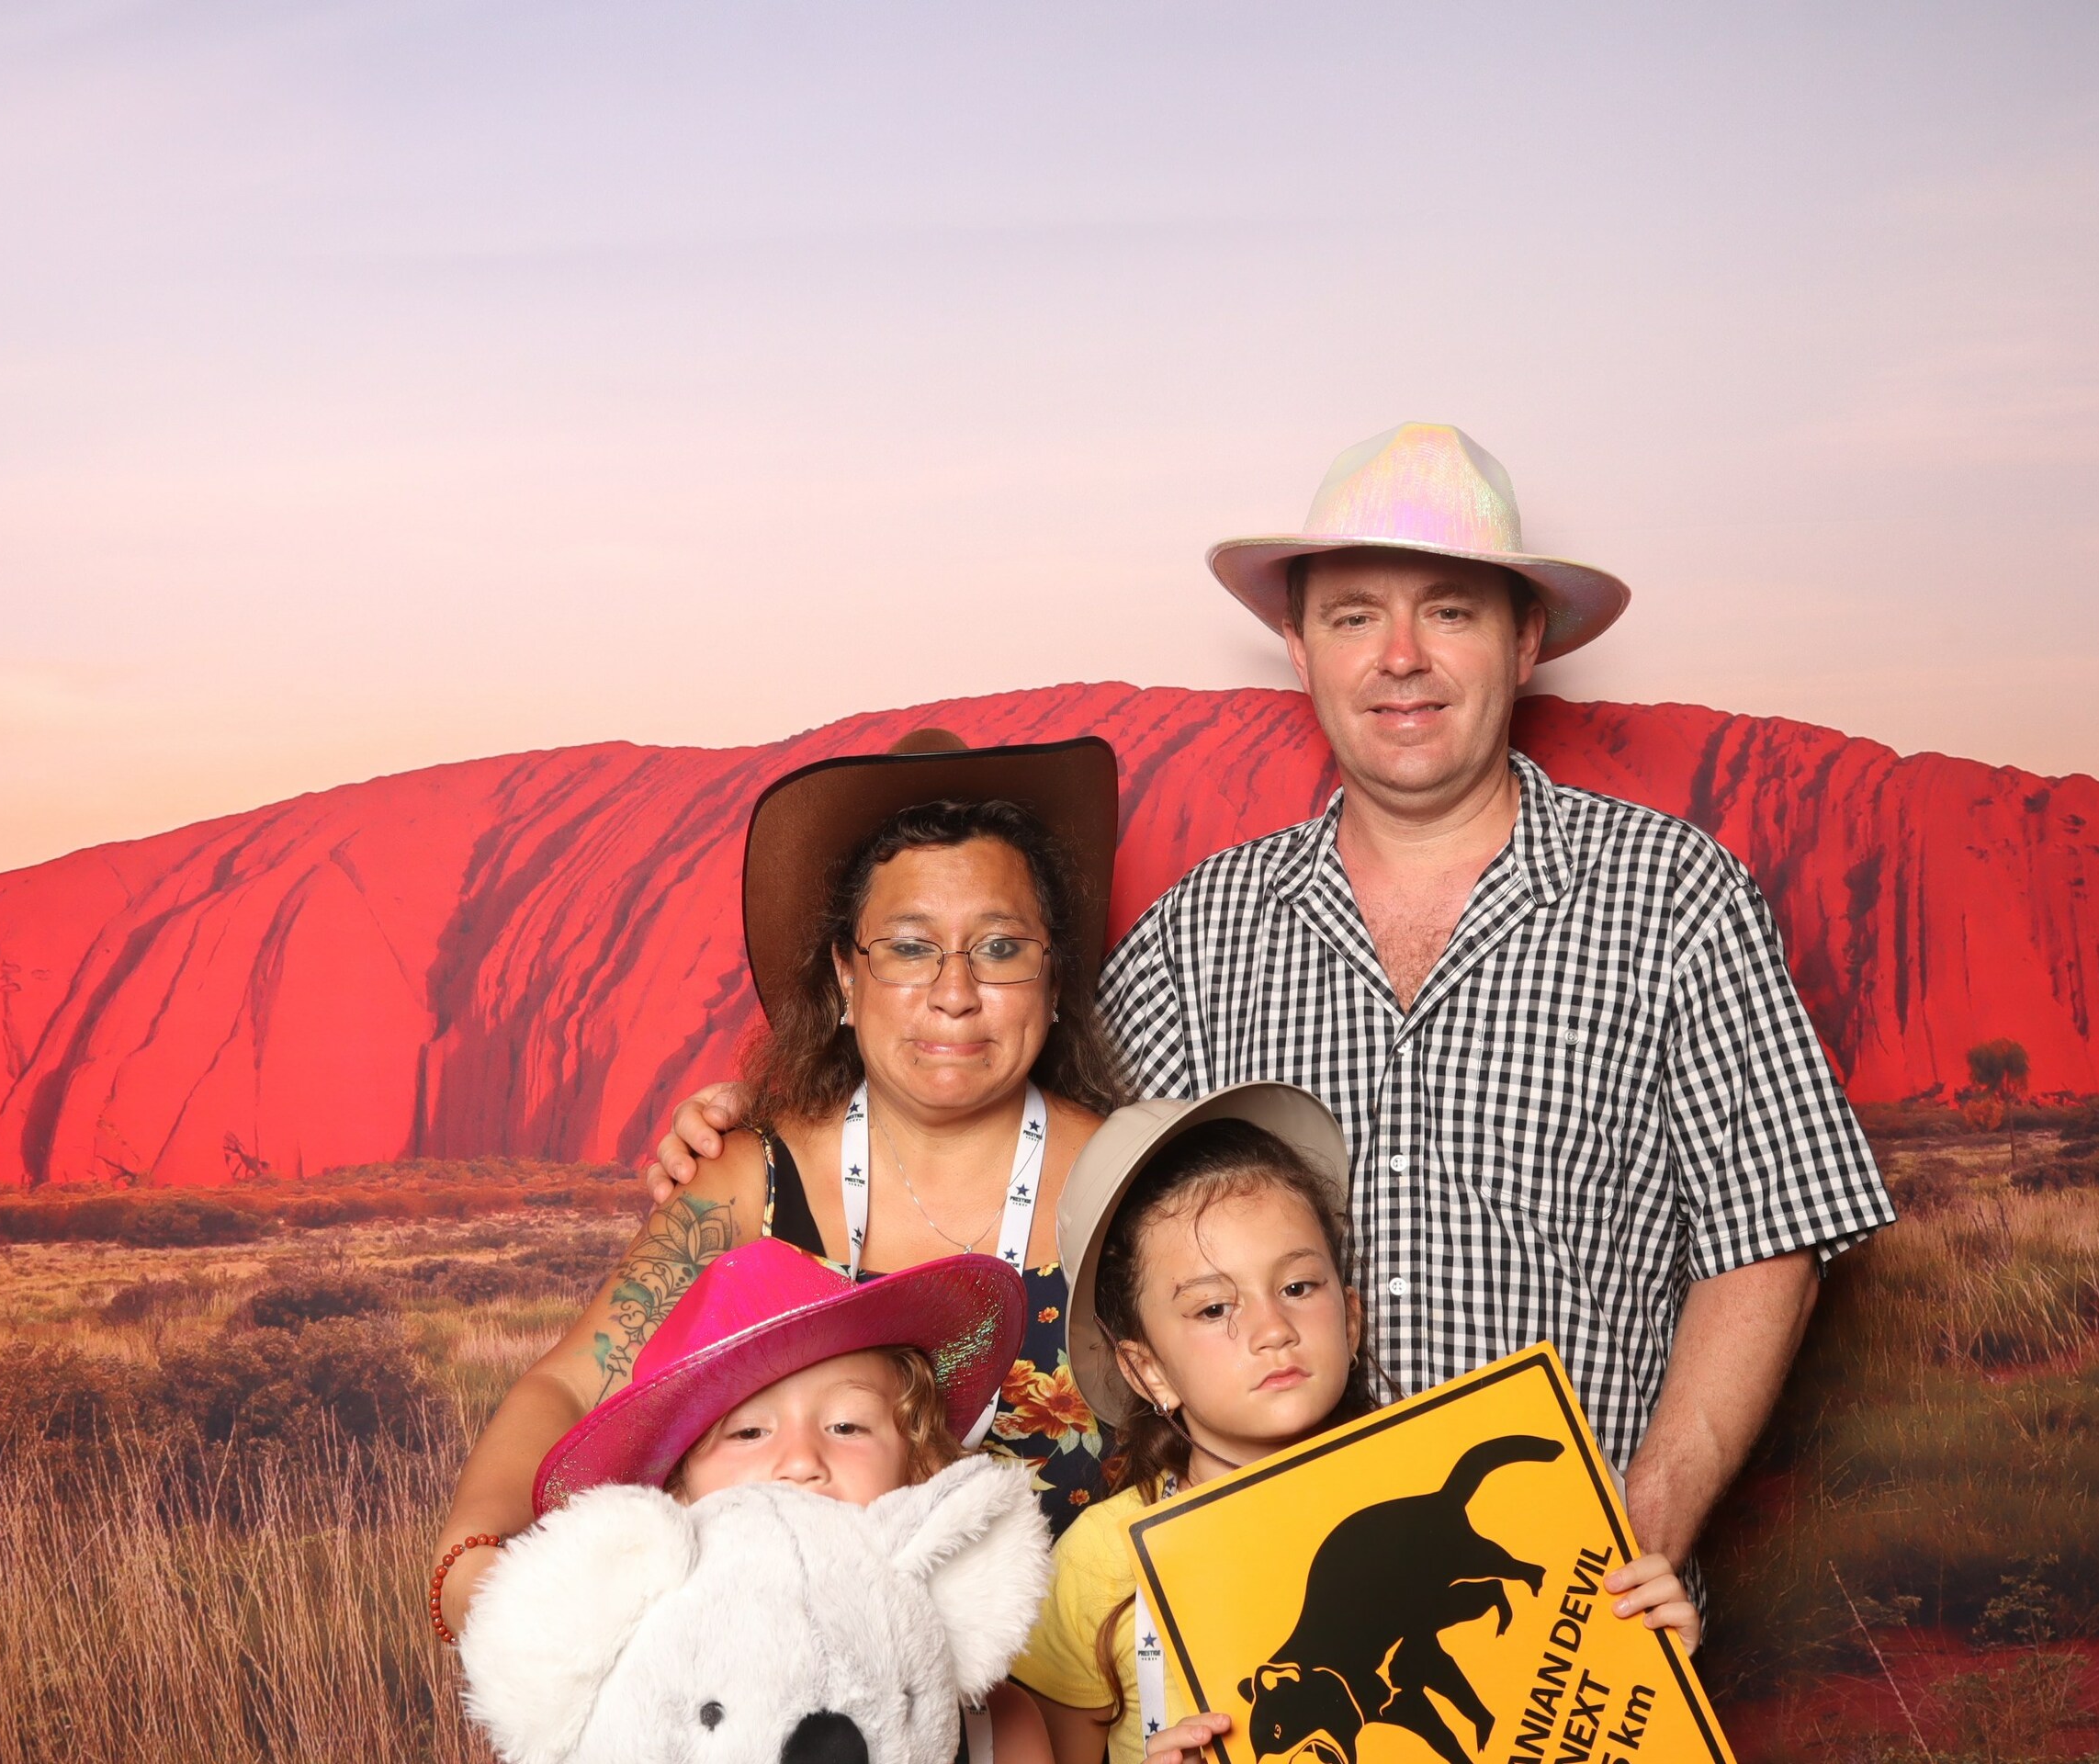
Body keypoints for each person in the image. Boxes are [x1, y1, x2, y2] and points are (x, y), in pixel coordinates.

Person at [654, 423, 1895, 1598]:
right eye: (1354, 616)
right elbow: (997, 1112)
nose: (1400, 658)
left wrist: (1645, 1524)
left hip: (1573, 1613)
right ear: (1301, 650)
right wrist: (769, 1121)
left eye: (1449, 611)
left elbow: (1770, 1236)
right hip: (1277, 1624)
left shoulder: (1673, 898)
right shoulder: (1206, 930)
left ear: (1525, 643)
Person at [432, 733, 1134, 1636]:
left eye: (999, 948)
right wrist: (474, 1555)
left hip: (1084, 1694)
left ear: (1053, 977)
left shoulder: (1132, 1180)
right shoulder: (747, 1180)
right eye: (909, 948)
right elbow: (572, 1385)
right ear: (845, 976)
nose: (954, 992)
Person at [1013, 1084, 1698, 1764]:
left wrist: (1651, 1658)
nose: (1273, 1329)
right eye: (1214, 1309)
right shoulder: (1100, 1563)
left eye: (1297, 1288)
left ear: (1349, 1317)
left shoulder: (1465, 1496)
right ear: (1146, 1371)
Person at [476, 1233, 1056, 1764]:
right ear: (674, 1497)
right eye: (749, 1432)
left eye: (848, 1426)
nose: (800, 1461)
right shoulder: (629, 1712)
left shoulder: (996, 1728)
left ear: (919, 1469)